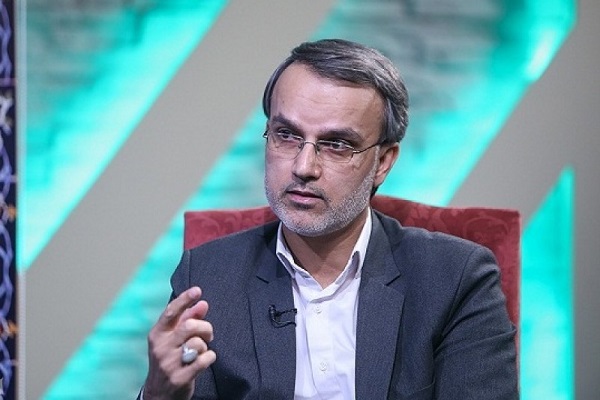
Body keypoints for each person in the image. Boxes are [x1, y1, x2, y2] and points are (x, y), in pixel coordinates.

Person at [140, 39, 518, 399]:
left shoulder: (454, 278)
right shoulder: (209, 276)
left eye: (337, 144)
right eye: (286, 135)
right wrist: (159, 395)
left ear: (382, 162)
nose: (303, 167)